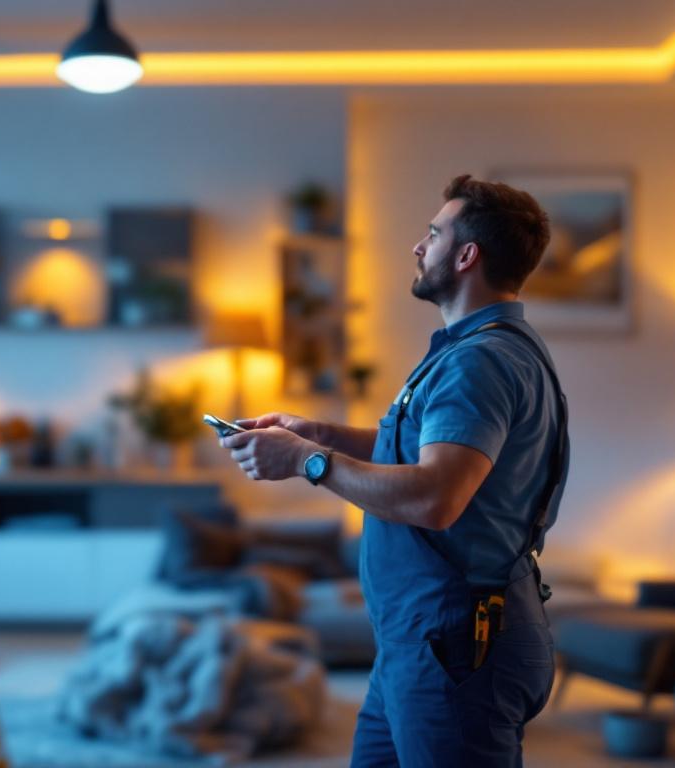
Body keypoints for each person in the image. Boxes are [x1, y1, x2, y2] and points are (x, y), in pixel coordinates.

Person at [220, 174, 569, 767]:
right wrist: (320, 433)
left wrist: (307, 462)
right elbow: (427, 452)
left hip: (456, 646)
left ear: (466, 256)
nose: (418, 245)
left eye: (433, 234)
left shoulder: (479, 361)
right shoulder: (483, 347)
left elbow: (437, 496)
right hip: (417, 643)